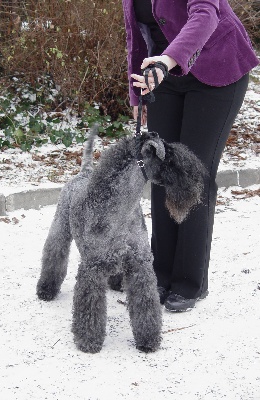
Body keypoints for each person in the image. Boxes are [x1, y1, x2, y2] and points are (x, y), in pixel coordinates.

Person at [122, 0, 259, 311]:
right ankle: (161, 274)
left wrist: (167, 61)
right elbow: (137, 34)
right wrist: (137, 90)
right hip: (164, 76)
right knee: (161, 170)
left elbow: (205, 13)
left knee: (193, 174)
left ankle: (188, 282)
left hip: (217, 70)